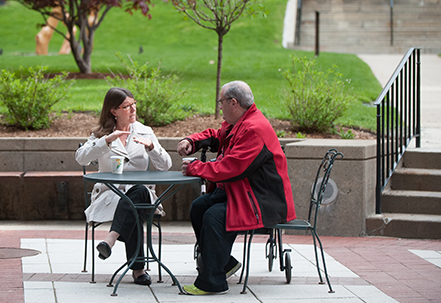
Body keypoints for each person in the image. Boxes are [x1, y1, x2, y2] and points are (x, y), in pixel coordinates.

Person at [177, 81, 296, 295]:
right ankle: (224, 263)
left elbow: (233, 167)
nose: (219, 107)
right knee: (199, 207)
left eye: (221, 102)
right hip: (240, 193)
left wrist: (196, 167)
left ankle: (212, 282)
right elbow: (217, 136)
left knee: (214, 216)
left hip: (262, 202)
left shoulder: (254, 128)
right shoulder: (240, 121)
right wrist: (192, 141)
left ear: (234, 103)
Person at [75, 87, 172, 286]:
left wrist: (151, 148)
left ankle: (110, 240)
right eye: (126, 106)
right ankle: (139, 271)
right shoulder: (101, 135)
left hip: (144, 195)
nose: (133, 109)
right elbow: (81, 158)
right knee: (132, 206)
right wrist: (105, 141)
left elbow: (166, 165)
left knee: (137, 193)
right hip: (110, 195)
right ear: (114, 111)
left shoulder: (145, 132)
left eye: (134, 104)